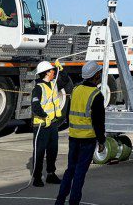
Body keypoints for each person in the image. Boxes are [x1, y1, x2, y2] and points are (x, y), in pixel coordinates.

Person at [56, 62, 106, 205]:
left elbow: (68, 114)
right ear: (96, 75)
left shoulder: (76, 89)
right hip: (87, 140)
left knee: (70, 170)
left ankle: (60, 200)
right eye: (100, 73)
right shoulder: (96, 95)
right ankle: (74, 202)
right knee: (79, 173)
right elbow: (98, 122)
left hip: (73, 137)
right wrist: (101, 141)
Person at [31, 61, 64, 187]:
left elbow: (65, 80)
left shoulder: (53, 84)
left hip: (53, 124)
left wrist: (62, 69)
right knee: (39, 152)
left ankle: (51, 174)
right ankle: (37, 177)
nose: (53, 72)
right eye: (51, 70)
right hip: (42, 125)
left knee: (52, 150)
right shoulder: (38, 88)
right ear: (46, 73)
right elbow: (35, 106)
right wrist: (45, 116)